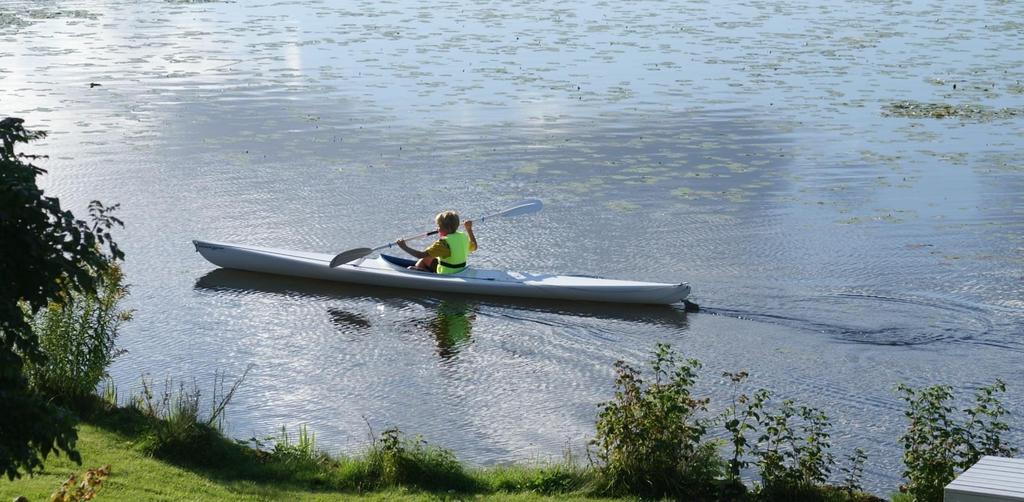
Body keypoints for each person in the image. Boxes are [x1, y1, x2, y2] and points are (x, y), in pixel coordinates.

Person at [396, 211, 477, 274]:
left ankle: (420, 276)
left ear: (445, 228)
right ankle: (422, 271)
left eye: (438, 226)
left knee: (411, 268)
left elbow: (420, 255)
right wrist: (469, 229)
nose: (437, 229)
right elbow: (475, 247)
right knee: (425, 259)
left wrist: (404, 247)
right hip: (461, 271)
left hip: (447, 274)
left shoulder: (443, 243)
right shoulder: (463, 236)